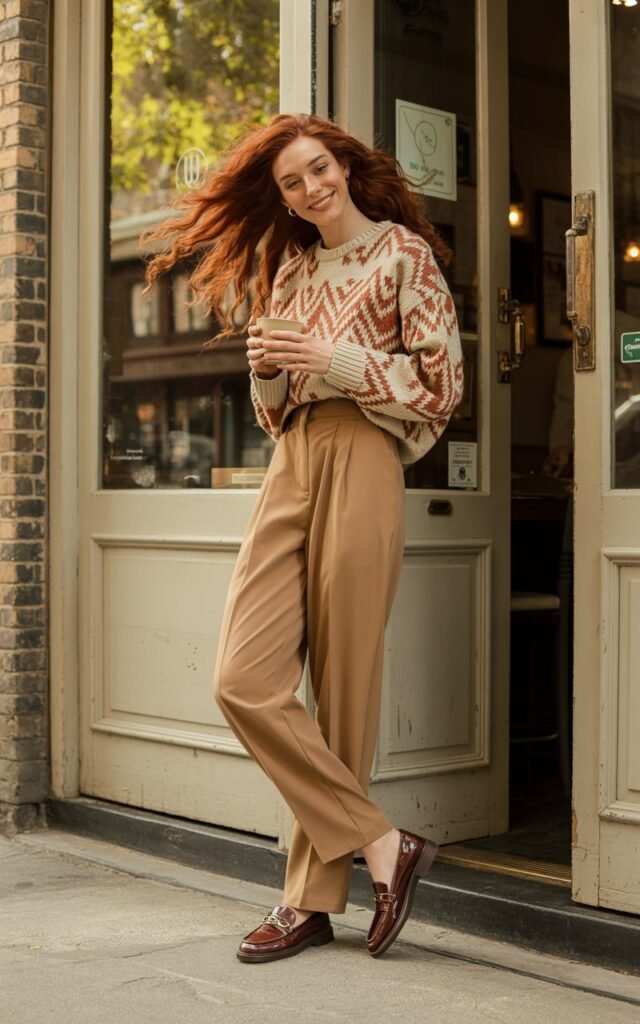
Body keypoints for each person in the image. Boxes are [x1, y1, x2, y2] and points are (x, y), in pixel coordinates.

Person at [143, 113, 463, 963]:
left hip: (366, 454)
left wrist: (337, 358)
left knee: (347, 691)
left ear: (345, 167)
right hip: (293, 458)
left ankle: (309, 902)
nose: (312, 187)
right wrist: (267, 369)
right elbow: (276, 403)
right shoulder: (291, 264)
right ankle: (386, 846)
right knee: (242, 679)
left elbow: (441, 388)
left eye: (320, 169)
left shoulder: (403, 256)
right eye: (293, 181)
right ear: (281, 197)